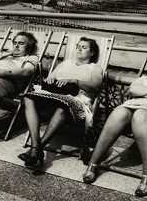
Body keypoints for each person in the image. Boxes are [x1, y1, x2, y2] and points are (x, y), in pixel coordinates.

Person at [82, 53, 147, 197]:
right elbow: (132, 90)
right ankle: (93, 164)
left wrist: (146, 94)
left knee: (141, 114)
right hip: (135, 111)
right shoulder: (144, 78)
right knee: (120, 111)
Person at [18, 37, 103, 168]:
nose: (79, 49)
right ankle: (36, 148)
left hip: (77, 99)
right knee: (28, 98)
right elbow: (50, 78)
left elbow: (95, 87)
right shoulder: (65, 63)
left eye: (84, 47)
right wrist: (51, 80)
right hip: (55, 94)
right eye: (78, 46)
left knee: (63, 107)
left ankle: (35, 150)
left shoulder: (94, 68)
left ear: (91, 53)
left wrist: (75, 81)